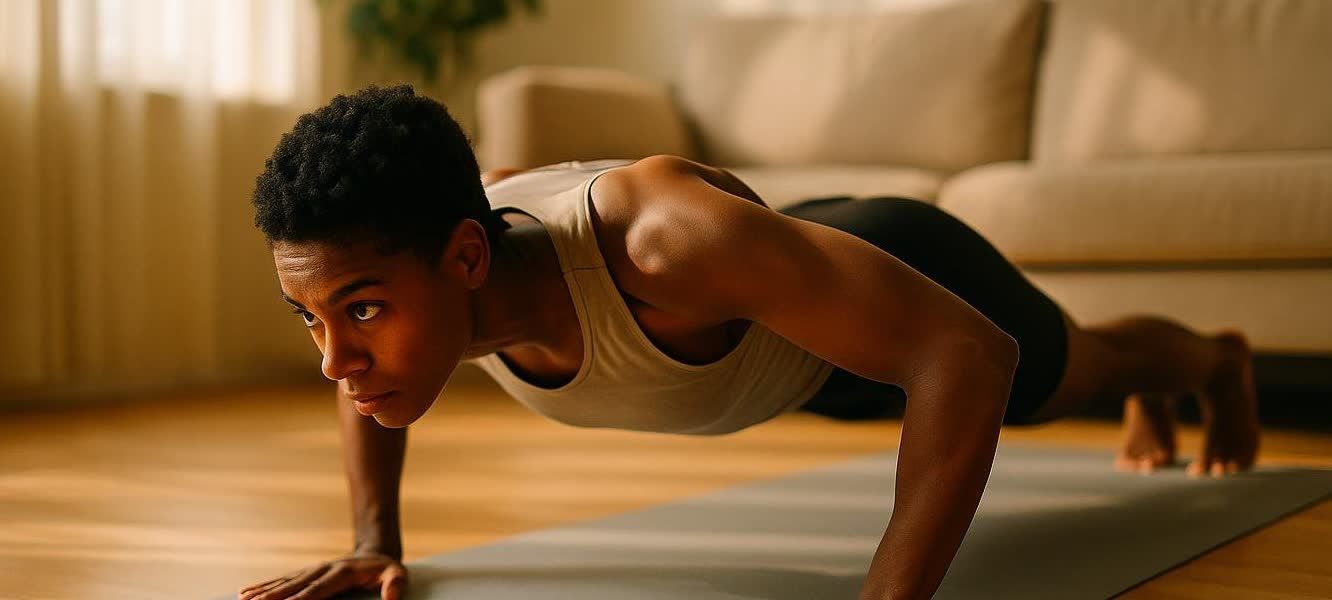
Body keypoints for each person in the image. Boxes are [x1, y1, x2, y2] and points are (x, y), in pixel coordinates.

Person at [237, 85, 1260, 600]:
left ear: (467, 257)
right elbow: (363, 379)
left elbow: (966, 357)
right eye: (310, 318)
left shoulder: (657, 243)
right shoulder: (430, 281)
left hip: (881, 266)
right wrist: (374, 541)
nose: (335, 358)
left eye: (359, 312)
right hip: (787, 347)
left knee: (1070, 373)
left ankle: (1212, 364)